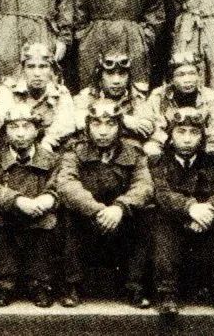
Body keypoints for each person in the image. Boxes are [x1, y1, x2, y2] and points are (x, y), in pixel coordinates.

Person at [57, 98, 154, 309]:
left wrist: (120, 207)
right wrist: (97, 210)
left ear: (120, 127)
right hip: (88, 220)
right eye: (96, 124)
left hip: (121, 222)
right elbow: (66, 184)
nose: (103, 131)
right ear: (87, 126)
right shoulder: (74, 151)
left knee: (146, 214)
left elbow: (144, 186)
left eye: (110, 124)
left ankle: (134, 285)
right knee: (67, 212)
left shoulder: (134, 152)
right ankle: (72, 285)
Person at [149, 107, 214, 317]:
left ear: (202, 136)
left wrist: (208, 212)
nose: (188, 139)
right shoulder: (158, 163)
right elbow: (161, 193)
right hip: (175, 225)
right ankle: (167, 293)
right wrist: (190, 208)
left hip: (206, 226)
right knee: (160, 220)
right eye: (181, 132)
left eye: (194, 132)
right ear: (171, 135)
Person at [0, 104, 62, 307]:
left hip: (40, 214)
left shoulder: (52, 159)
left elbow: (60, 183)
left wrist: (49, 198)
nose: (20, 133)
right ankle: (5, 284)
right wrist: (17, 201)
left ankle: (40, 284)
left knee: (49, 224)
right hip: (8, 215)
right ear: (5, 131)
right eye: (14, 127)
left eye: (27, 126)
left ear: (37, 130)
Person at [0, 43, 75, 152]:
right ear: (23, 69)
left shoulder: (60, 93)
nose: (37, 73)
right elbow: (4, 122)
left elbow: (66, 124)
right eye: (31, 67)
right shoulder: (8, 90)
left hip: (49, 147)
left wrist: (48, 141)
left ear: (51, 70)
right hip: (14, 146)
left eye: (43, 66)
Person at [144, 51, 214, 159]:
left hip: (200, 143)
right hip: (167, 142)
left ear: (199, 76)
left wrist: (208, 145)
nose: (187, 80)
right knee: (150, 150)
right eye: (181, 75)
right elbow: (153, 127)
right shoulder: (158, 96)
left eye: (192, 73)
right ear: (171, 79)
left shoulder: (211, 98)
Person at [72, 52, 155, 145]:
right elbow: (79, 122)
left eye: (122, 74)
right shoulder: (88, 95)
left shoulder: (136, 96)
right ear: (100, 76)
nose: (116, 81)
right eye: (110, 74)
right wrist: (123, 120)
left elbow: (147, 127)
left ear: (129, 77)